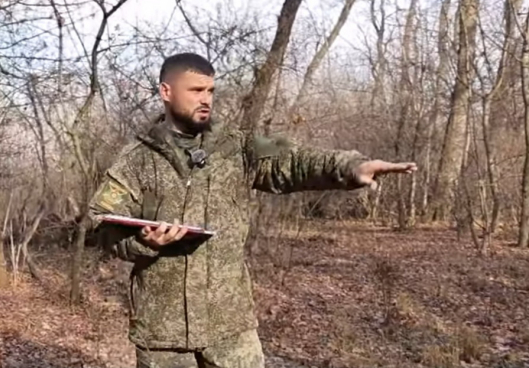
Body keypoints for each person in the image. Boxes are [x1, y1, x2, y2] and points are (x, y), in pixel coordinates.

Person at [88, 53, 417, 368]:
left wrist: (351, 167)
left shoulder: (236, 148)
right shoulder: (137, 160)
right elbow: (100, 225)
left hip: (230, 327)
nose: (206, 99)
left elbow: (295, 162)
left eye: (211, 91)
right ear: (166, 91)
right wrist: (144, 242)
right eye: (196, 90)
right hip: (163, 332)